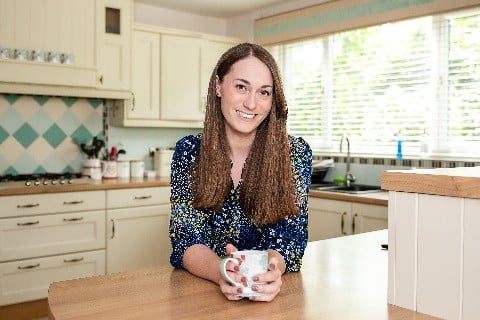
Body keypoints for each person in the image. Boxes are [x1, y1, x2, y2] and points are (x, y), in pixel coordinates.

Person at [169, 42, 312, 302]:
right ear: (218, 87)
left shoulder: (295, 154)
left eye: (264, 92)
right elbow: (186, 240)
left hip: (273, 303)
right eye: (241, 87)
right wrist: (222, 271)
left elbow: (290, 240)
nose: (251, 103)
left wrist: (272, 270)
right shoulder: (189, 152)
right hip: (202, 298)